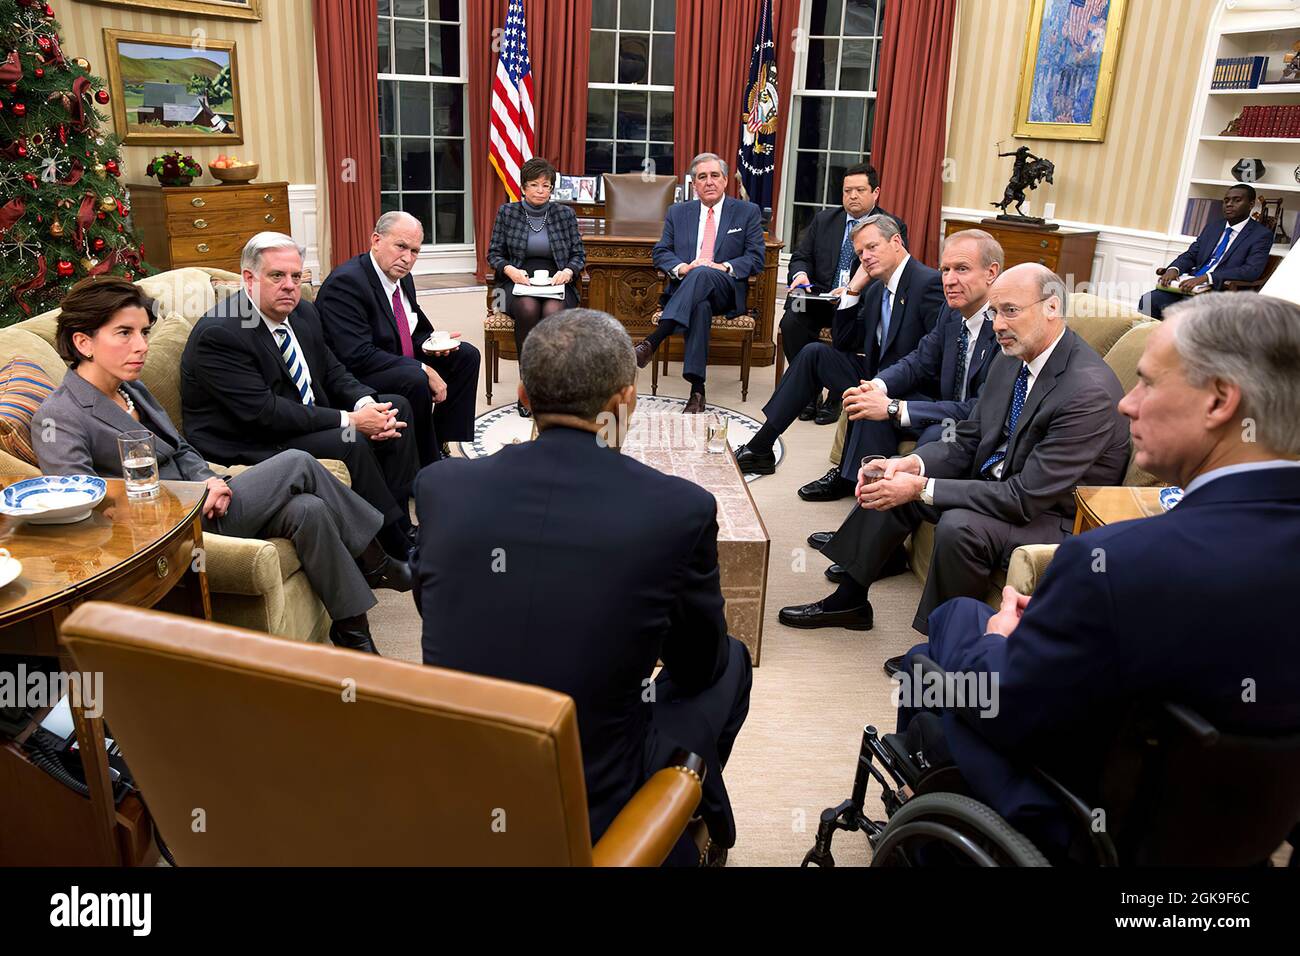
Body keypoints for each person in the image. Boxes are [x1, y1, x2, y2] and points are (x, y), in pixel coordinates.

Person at [898, 293, 1300, 858]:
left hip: (1091, 827)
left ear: (1219, 402)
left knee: (945, 638)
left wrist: (997, 640)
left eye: (1147, 383)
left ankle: (926, 833)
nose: (1126, 405)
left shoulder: (1114, 562)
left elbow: (1006, 706)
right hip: (1234, 837)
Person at [411, 309, 752, 865]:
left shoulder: (442, 487)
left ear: (523, 394)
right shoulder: (679, 509)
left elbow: (436, 604)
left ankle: (693, 814)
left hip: (457, 773)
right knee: (732, 662)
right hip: (591, 798)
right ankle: (682, 813)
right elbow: (697, 664)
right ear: (625, 401)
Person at [33, 277, 409, 655]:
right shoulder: (60, 416)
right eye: (125, 334)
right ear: (83, 343)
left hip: (207, 501)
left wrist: (209, 481)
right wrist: (193, 493)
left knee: (308, 510)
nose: (142, 346)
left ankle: (354, 634)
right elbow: (83, 504)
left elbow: (181, 449)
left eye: (145, 332)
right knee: (299, 462)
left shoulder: (132, 389)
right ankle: (377, 561)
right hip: (169, 528)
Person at [780, 264, 1130, 657]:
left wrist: (923, 488)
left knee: (959, 524)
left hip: (1051, 517)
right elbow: (969, 435)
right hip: (1002, 481)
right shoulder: (1013, 355)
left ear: (1051, 308)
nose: (997, 324)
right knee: (894, 475)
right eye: (995, 312)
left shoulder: (1087, 391)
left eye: (1010, 310)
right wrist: (914, 467)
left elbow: (1024, 497)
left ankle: (946, 649)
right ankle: (850, 600)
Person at [181, 233, 419, 559]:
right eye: (277, 276)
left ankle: (401, 524)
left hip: (299, 417)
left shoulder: (303, 313)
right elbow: (266, 413)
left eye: (296, 276)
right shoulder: (221, 333)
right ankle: (392, 546)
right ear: (249, 279)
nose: (290, 285)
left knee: (396, 409)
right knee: (350, 439)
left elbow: (332, 371)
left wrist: (366, 403)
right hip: (250, 439)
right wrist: (351, 420)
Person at [733, 215, 944, 480]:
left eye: (872, 247)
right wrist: (853, 290)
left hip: (912, 387)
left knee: (864, 392)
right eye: (859, 252)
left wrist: (879, 384)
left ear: (896, 241)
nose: (865, 257)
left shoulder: (928, 283)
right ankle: (761, 447)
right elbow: (845, 342)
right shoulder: (876, 287)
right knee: (814, 354)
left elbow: (932, 357)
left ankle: (847, 477)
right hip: (876, 374)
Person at [804, 229, 1002, 509]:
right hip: (943, 407)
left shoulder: (1004, 327)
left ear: (991, 273)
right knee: (868, 407)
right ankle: (865, 506)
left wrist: (895, 407)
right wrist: (877, 386)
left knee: (935, 437)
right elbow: (920, 359)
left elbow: (977, 410)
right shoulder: (952, 311)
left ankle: (878, 534)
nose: (949, 280)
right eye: (945, 270)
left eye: (961, 269)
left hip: (973, 424)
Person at [316, 211, 482, 464]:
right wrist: (422, 367)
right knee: (415, 378)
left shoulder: (402, 277)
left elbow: (412, 330)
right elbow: (356, 355)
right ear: (376, 241)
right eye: (401, 246)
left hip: (393, 359)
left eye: (414, 251)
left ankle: (439, 440)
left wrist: (434, 343)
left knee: (466, 355)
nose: (407, 258)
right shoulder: (346, 284)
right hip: (358, 372)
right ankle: (425, 463)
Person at [637, 153, 766, 414]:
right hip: (691, 290)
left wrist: (723, 266)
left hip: (726, 289)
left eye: (714, 175)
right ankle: (698, 391)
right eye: (702, 177)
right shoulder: (678, 212)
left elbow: (755, 258)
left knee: (704, 272)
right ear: (694, 184)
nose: (709, 182)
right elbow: (661, 252)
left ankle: (653, 340)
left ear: (725, 180)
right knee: (700, 306)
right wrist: (684, 267)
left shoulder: (746, 212)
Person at [782, 162, 909, 424]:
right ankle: (811, 392)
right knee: (791, 321)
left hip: (861, 303)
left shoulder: (890, 225)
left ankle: (838, 396)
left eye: (860, 190)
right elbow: (801, 257)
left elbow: (892, 272)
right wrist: (801, 275)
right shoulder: (824, 220)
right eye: (847, 190)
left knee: (851, 330)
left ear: (876, 192)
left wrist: (854, 290)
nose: (852, 196)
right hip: (820, 299)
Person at [486, 157, 587, 417]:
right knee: (528, 308)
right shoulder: (507, 212)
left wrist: (567, 271)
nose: (541, 190)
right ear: (523, 187)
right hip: (516, 281)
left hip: (557, 282)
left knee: (552, 312)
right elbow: (494, 254)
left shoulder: (564, 214)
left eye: (546, 185)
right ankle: (528, 386)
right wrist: (509, 270)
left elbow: (579, 255)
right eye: (534, 185)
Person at [1138, 184, 1272, 320]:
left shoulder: (1260, 235)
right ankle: (1144, 339)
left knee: (1184, 313)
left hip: (1218, 291)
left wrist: (1207, 277)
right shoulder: (1213, 226)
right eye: (1226, 201)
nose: (1229, 204)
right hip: (1188, 285)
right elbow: (1192, 254)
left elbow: (1251, 270)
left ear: (1251, 204)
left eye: (1237, 200)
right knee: (1149, 300)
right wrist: (1174, 269)